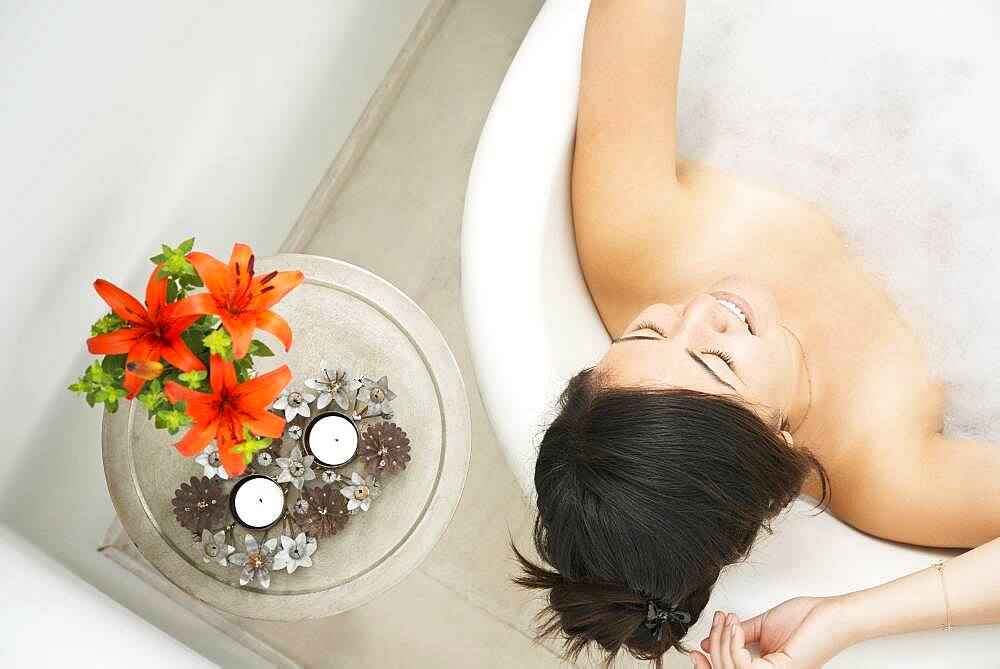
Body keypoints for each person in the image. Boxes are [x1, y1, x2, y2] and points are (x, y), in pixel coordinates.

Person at [508, 1, 1000, 668]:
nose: (701, 309)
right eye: (716, 362)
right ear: (779, 444)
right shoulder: (882, 460)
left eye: (649, 329)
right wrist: (847, 616)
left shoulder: (632, 244)